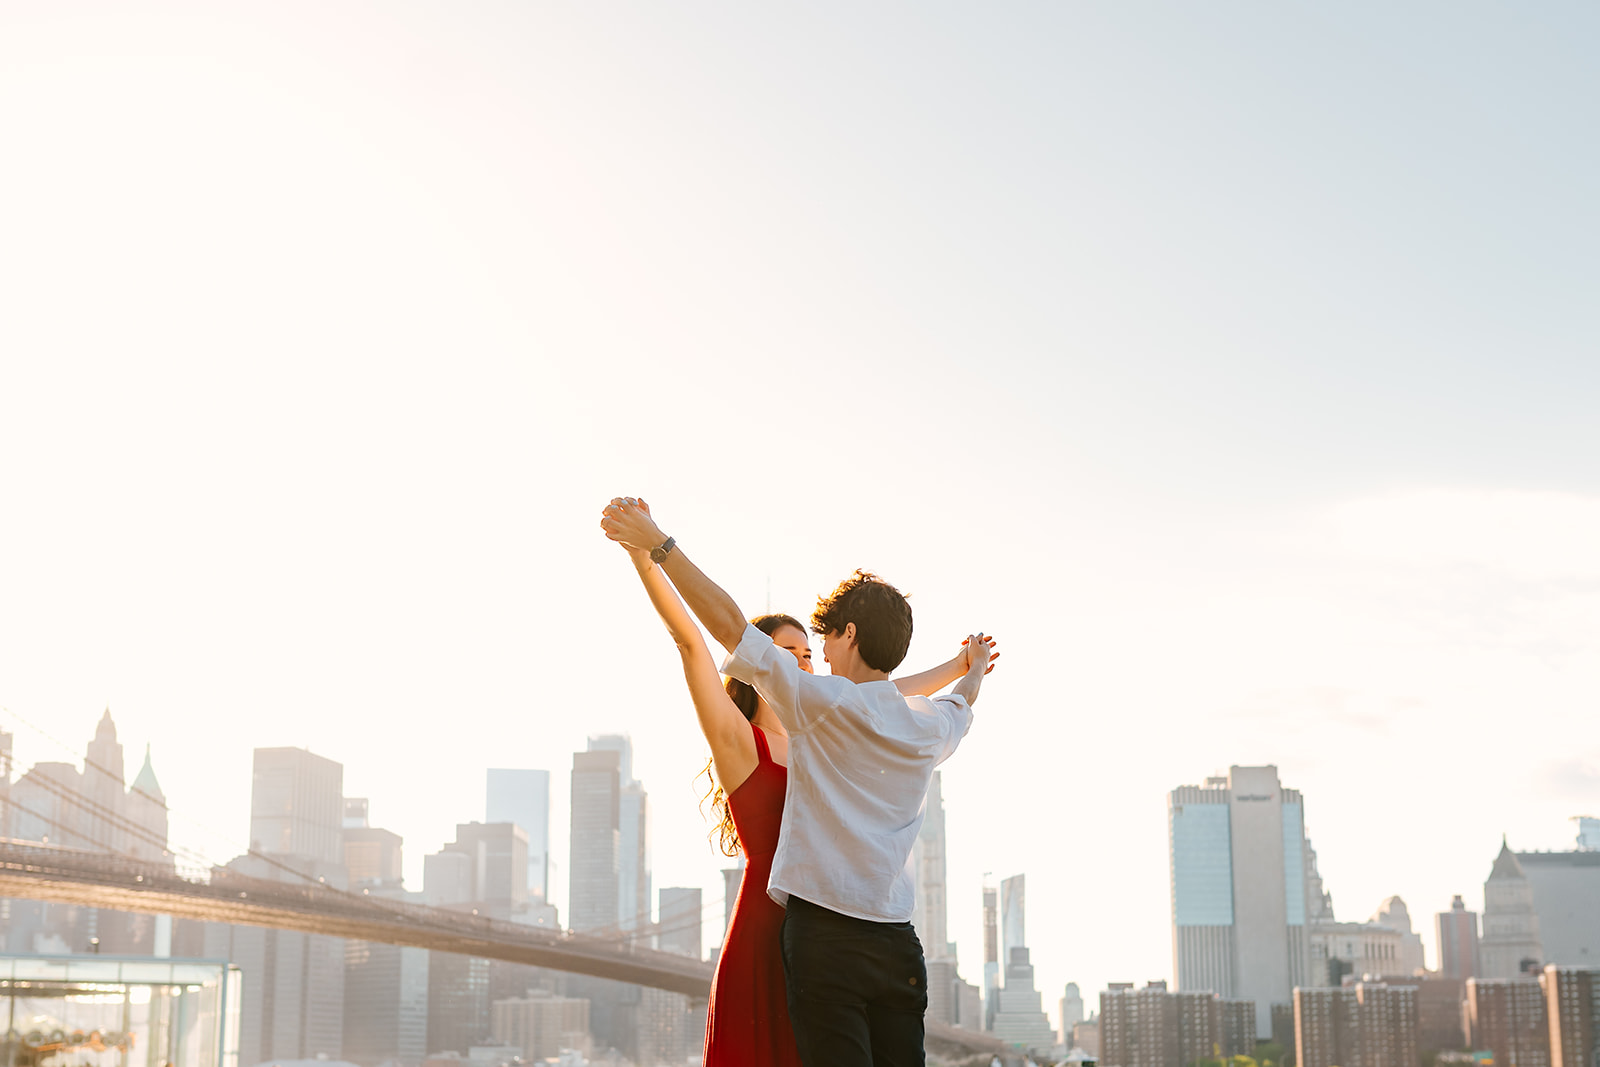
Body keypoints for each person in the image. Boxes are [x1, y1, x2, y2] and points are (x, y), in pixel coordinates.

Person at [602, 497, 996, 1067]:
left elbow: (871, 694)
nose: (806, 662)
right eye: (790, 654)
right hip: (780, 938)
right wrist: (646, 558)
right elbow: (696, 641)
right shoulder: (758, 738)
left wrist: (959, 668)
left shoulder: (826, 713)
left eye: (813, 651)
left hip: (822, 942)